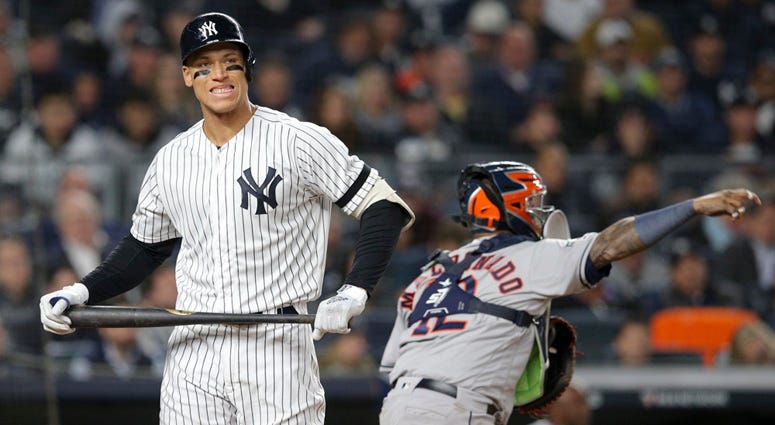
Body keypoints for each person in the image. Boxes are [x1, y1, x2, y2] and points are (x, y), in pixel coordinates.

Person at [39, 12, 414, 425]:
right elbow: (144, 248)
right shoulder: (171, 158)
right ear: (186, 75)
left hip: (275, 344)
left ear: (246, 69)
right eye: (204, 66)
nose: (219, 75)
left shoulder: (297, 139)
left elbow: (383, 204)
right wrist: (81, 291)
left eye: (230, 62)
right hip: (194, 345)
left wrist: (355, 290)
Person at [378, 160, 759, 425]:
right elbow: (612, 243)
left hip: (398, 406)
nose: (538, 211)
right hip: (458, 409)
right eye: (531, 204)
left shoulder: (428, 275)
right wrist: (691, 207)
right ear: (508, 209)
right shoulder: (530, 256)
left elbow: (392, 369)